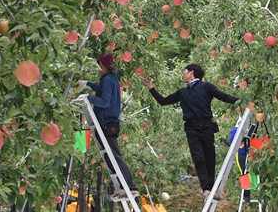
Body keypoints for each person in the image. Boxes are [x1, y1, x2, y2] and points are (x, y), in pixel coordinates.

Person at [142, 63, 239, 199]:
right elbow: (163, 101)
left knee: (210, 158)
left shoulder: (207, 87)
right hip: (191, 128)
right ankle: (206, 189)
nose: (182, 74)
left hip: (206, 126)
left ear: (191, 73)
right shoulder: (183, 92)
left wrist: (243, 102)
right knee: (198, 157)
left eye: (184, 71)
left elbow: (224, 97)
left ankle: (211, 188)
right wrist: (151, 88)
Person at [78, 53, 139, 202]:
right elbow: (100, 89)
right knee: (109, 156)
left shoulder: (107, 80)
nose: (98, 68)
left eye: (99, 65)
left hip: (107, 123)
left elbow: (104, 102)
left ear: (104, 66)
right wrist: (87, 83)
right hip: (108, 123)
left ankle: (131, 187)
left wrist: (88, 97)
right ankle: (123, 188)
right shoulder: (110, 79)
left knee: (114, 156)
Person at [229, 123, 251, 203]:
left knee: (252, 172)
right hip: (242, 154)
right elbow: (232, 143)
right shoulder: (235, 130)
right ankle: (246, 195)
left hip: (252, 153)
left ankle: (253, 188)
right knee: (244, 173)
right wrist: (240, 144)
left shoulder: (252, 127)